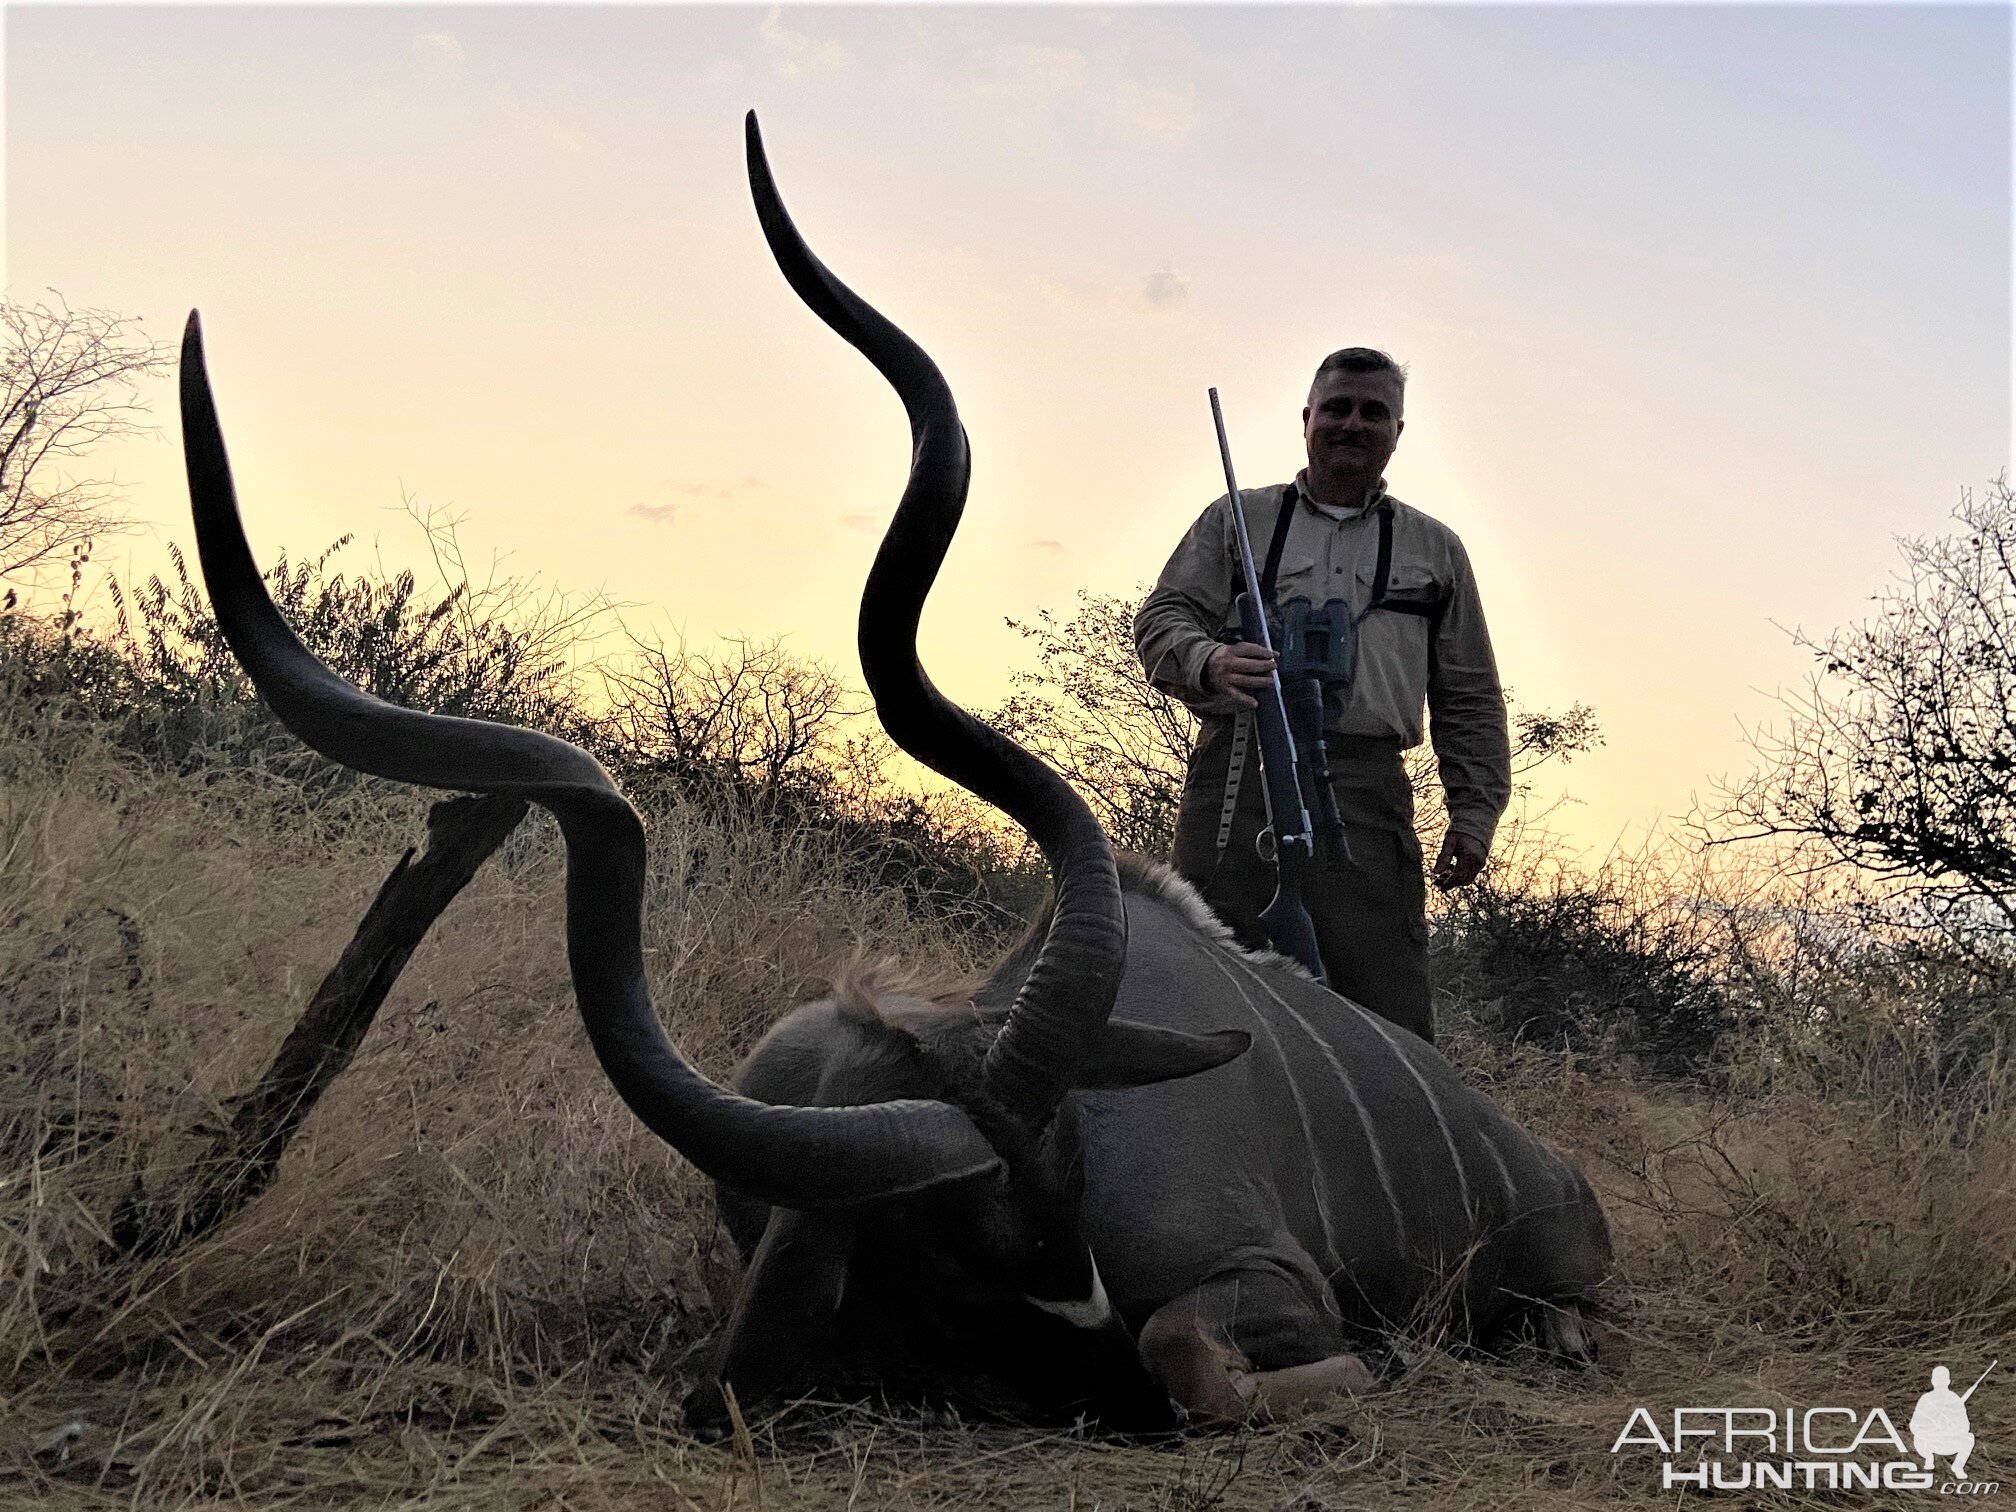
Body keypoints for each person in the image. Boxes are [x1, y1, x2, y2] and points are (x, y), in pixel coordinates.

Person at [1134, 348, 1510, 1042]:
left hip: (1366, 794)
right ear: (1307, 418)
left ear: (1398, 430)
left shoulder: (1436, 548)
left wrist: (1474, 813)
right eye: (1337, 408)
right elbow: (1161, 620)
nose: (1352, 424)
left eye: (1374, 412)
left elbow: (1470, 695)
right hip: (1240, 774)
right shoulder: (1236, 520)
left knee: (1386, 1021)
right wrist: (1212, 660)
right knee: (1207, 1002)